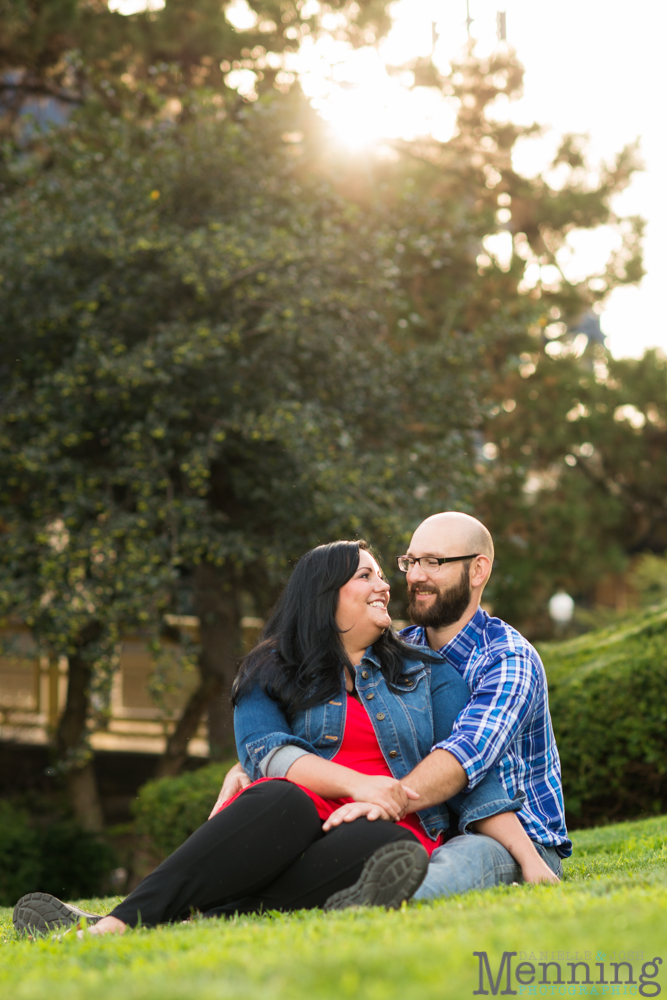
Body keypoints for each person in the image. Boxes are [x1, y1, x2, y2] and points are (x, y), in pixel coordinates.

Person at [14, 539, 556, 937]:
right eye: (366, 576)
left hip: (380, 829)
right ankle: (115, 925)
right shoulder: (269, 668)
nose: (386, 585)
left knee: (386, 842)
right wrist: (361, 787)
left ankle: (177, 915)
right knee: (279, 795)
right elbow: (266, 752)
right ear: (326, 594)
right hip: (294, 817)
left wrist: (529, 860)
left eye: (380, 574)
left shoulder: (428, 670)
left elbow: (470, 777)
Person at [217, 514, 570, 899]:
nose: (415, 576)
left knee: (461, 858)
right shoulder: (397, 651)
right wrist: (256, 760)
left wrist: (384, 798)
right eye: (410, 562)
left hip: (508, 835)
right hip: (426, 831)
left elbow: (466, 755)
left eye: (433, 562)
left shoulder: (507, 658)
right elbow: (333, 722)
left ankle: (371, 903)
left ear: (477, 570)